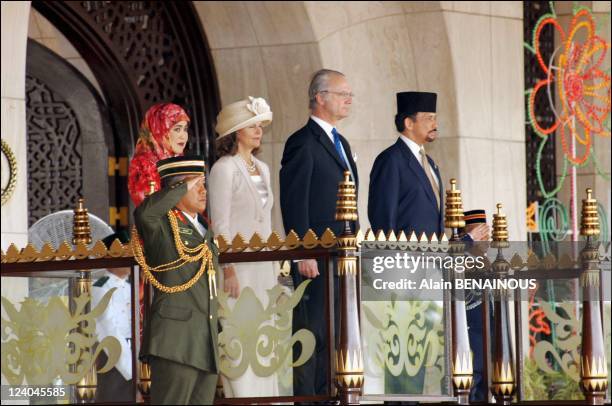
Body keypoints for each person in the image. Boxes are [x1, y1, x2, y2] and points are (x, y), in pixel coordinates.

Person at [368, 92, 489, 400]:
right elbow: (383, 223)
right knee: (404, 359)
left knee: (424, 357)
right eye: (428, 118)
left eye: (435, 118)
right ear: (408, 123)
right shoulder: (390, 161)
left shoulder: (430, 162)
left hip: (432, 274)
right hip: (404, 276)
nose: (435, 124)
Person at [280, 69, 359, 396]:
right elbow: (294, 201)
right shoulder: (302, 142)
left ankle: (331, 397)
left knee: (335, 334)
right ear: (320, 97)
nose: (348, 100)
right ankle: (308, 399)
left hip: (342, 256)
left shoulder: (341, 142)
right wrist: (304, 253)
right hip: (316, 256)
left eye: (350, 94)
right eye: (342, 94)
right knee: (311, 334)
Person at [134, 155, 219, 405]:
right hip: (176, 341)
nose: (203, 191)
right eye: (197, 185)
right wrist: (182, 186)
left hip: (205, 340)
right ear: (175, 188)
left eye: (203, 185)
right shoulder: (161, 225)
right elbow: (144, 213)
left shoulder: (203, 228)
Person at [208, 96, 279, 397]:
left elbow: (268, 221)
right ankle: (245, 398)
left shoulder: (262, 168)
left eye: (260, 125)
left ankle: (268, 399)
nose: (258, 130)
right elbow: (220, 226)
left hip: (263, 266)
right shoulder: (224, 168)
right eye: (251, 125)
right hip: (238, 269)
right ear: (235, 131)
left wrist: (276, 265)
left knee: (265, 335)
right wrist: (229, 270)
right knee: (240, 335)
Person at [93, 230, 133, 403]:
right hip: (113, 356)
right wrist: (130, 369)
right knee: (114, 398)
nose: (129, 258)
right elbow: (109, 329)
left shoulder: (129, 286)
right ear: (110, 256)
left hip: (132, 351)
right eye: (124, 253)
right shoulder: (100, 287)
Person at [128, 103, 190, 207]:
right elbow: (150, 212)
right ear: (159, 129)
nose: (183, 136)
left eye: (185, 129)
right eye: (177, 129)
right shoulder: (143, 164)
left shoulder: (180, 161)